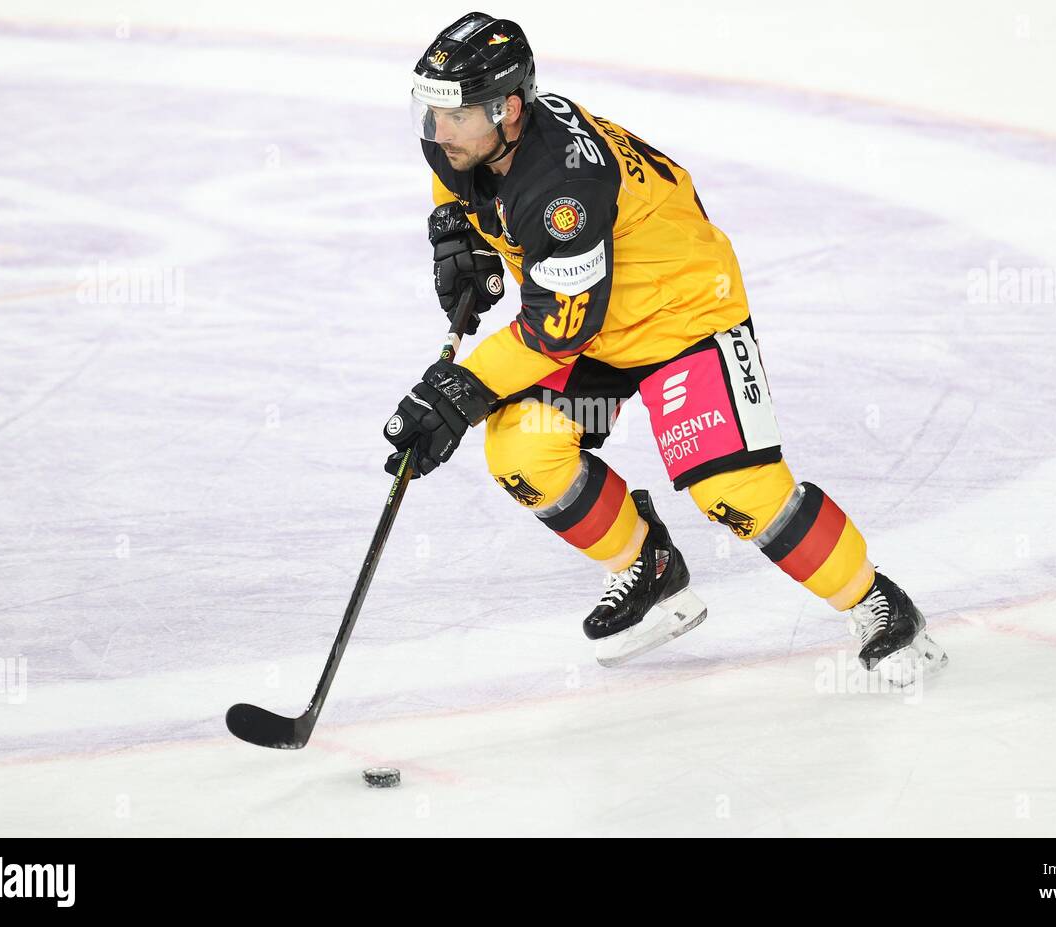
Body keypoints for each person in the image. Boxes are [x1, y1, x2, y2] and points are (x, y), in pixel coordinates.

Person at [383, 11, 947, 680]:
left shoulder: (562, 187)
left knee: (733, 488)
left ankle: (878, 601)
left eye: (454, 115)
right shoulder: (470, 140)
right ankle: (647, 568)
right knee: (522, 451)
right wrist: (457, 232)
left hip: (682, 316)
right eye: (430, 109)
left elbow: (558, 331)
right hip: (597, 317)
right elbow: (457, 179)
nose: (436, 130)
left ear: (508, 110)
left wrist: (462, 390)